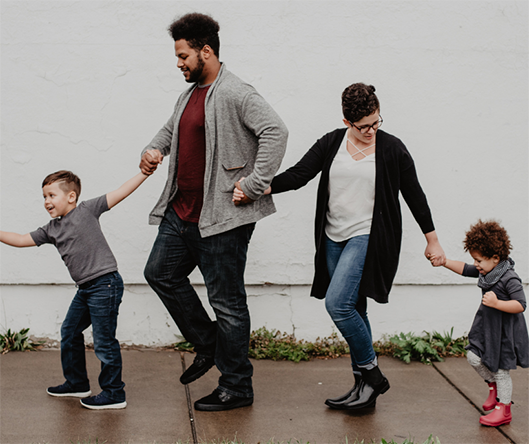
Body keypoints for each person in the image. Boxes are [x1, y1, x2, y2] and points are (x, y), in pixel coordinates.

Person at [234, 83, 445, 410]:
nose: (371, 131)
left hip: (367, 237)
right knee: (355, 309)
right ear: (348, 122)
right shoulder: (333, 142)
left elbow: (414, 195)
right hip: (333, 238)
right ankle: (363, 390)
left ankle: (373, 375)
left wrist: (432, 240)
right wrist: (257, 188)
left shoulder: (392, 149)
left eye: (377, 122)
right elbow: (299, 175)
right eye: (364, 126)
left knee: (338, 305)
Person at [140, 13, 288, 412]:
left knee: (227, 302)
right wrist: (153, 150)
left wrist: (254, 184)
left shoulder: (236, 92)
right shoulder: (189, 94)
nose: (179, 63)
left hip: (221, 218)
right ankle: (208, 345)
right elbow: (171, 130)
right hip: (182, 212)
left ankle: (237, 386)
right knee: (159, 274)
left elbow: (276, 131)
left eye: (183, 55)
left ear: (206, 51)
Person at [0, 169, 149, 410]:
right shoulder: (51, 229)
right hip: (86, 289)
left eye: (51, 195)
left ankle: (114, 393)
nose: (47, 201)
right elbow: (19, 239)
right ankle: (77, 382)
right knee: (69, 332)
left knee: (103, 341)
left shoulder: (87, 210)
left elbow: (121, 192)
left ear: (71, 196)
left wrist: (144, 173)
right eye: (44, 197)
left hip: (105, 284)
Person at [429, 220, 528, 427]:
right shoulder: (487, 270)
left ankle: (504, 408)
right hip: (487, 328)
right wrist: (444, 261)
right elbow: (465, 269)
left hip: (504, 332)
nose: (476, 265)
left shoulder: (509, 277)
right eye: (475, 260)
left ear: (495, 258)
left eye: (479, 260)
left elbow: (520, 304)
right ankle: (493, 386)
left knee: (501, 371)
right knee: (473, 356)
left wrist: (497, 303)